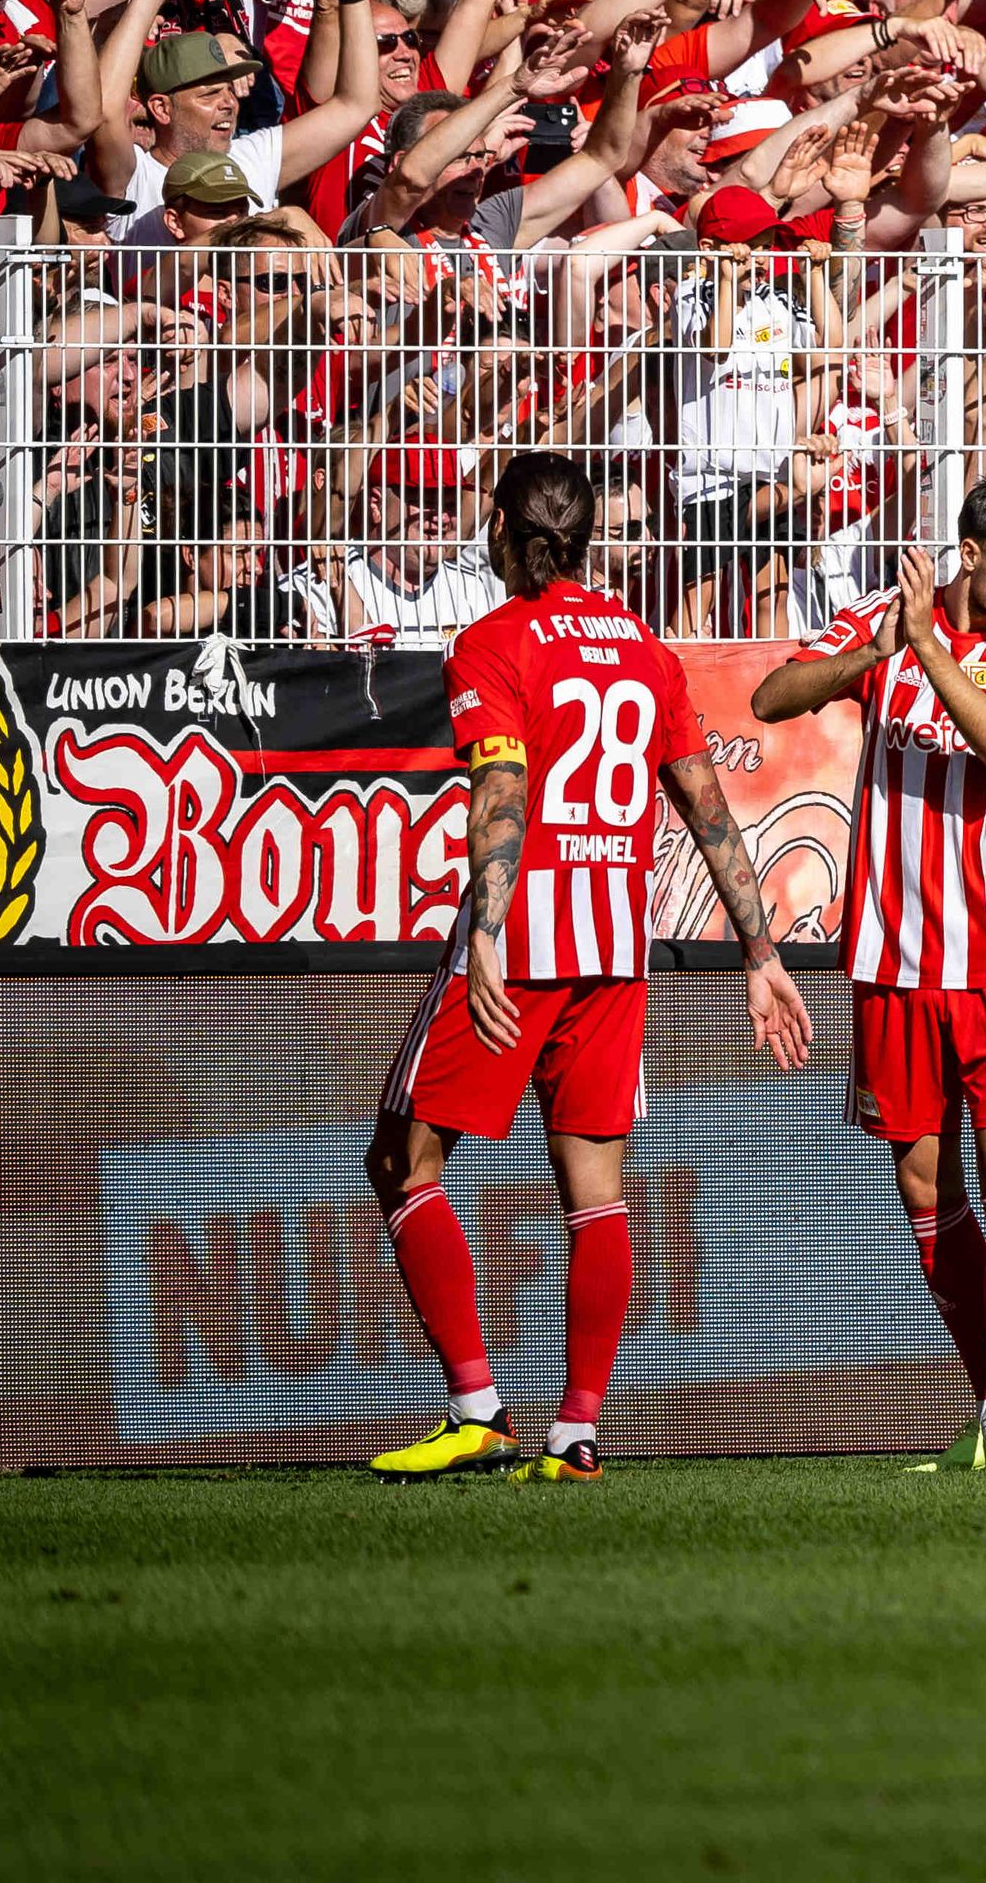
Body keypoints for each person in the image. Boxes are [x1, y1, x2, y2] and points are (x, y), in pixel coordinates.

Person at [362, 454, 814, 1482]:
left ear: (498, 528)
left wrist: (484, 927)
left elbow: (501, 794)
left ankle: (478, 1408)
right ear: (589, 534)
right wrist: (761, 950)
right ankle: (578, 1430)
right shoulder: (647, 653)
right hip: (616, 944)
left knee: (401, 1163)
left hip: (523, 941)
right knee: (596, 1194)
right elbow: (705, 805)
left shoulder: (491, 643)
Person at [752, 471, 986, 1472]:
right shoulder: (887, 624)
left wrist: (930, 652)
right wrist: (879, 649)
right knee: (920, 1180)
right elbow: (774, 695)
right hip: (892, 958)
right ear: (971, 553)